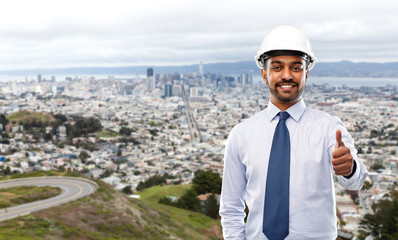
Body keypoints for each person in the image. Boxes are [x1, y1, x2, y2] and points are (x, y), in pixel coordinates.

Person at [219, 25, 368, 240]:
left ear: (306, 73)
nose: (287, 75)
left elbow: (356, 181)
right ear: (264, 74)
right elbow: (231, 207)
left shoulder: (329, 127)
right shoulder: (241, 134)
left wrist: (349, 168)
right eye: (277, 67)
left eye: (296, 67)